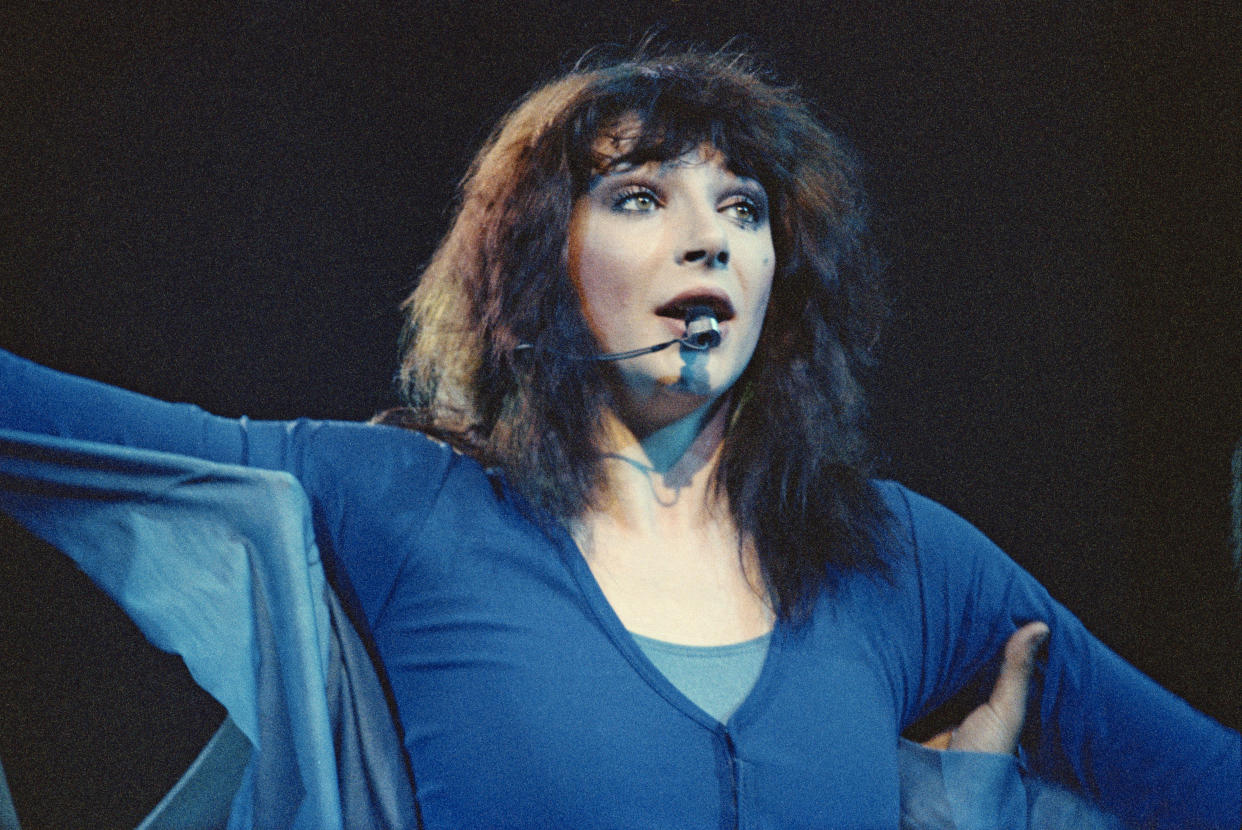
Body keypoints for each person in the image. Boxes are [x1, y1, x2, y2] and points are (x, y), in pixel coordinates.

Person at [0, 49, 1237, 828]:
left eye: (742, 209)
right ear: (541, 257)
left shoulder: (897, 560)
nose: (708, 238)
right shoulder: (408, 509)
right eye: (641, 196)